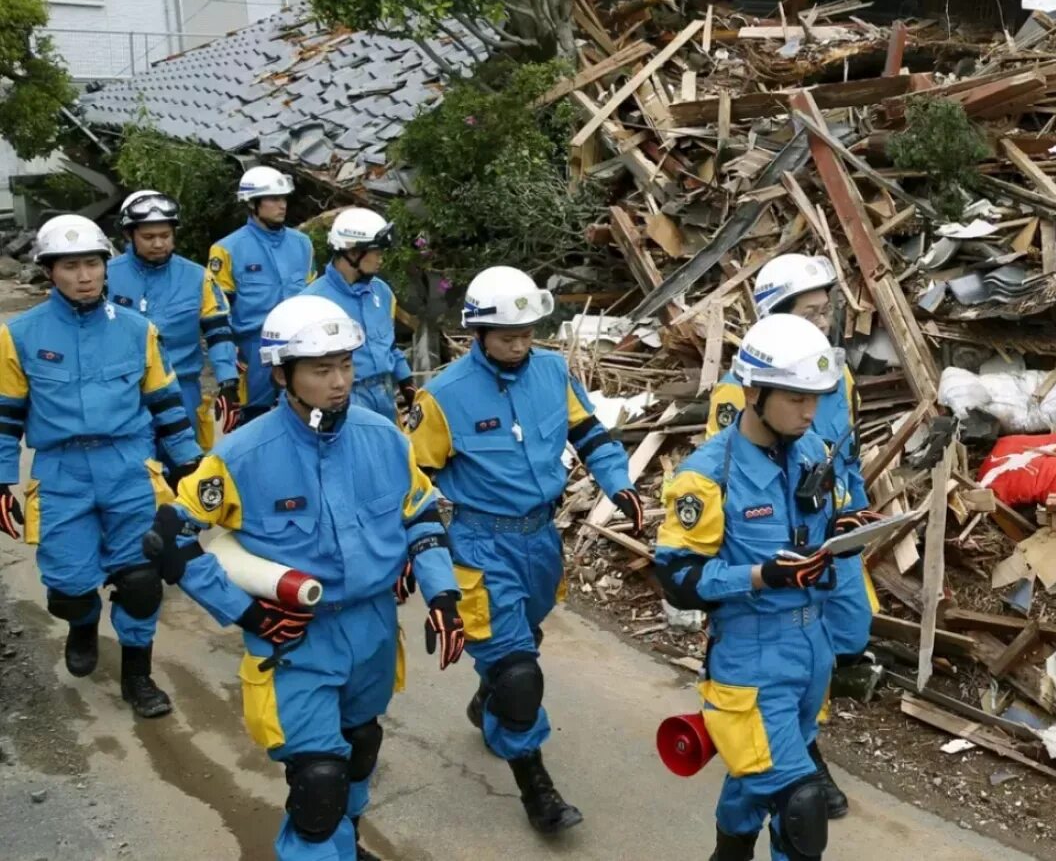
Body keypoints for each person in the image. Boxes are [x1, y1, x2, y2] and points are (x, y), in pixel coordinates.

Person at [147, 294, 464, 861]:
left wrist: (442, 593)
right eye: (321, 370)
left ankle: (347, 839)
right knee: (318, 781)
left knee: (361, 745)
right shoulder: (242, 453)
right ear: (282, 373)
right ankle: (322, 842)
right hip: (294, 641)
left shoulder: (383, 437)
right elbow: (169, 540)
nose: (340, 381)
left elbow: (419, 515)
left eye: (345, 365)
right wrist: (247, 613)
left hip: (371, 628)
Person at [404, 265, 642, 834]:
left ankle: (488, 696)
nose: (519, 345)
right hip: (479, 543)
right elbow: (412, 481)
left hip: (539, 539)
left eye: (527, 333)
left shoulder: (553, 373)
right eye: (507, 336)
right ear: (477, 333)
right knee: (519, 674)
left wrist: (619, 482)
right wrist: (414, 557)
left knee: (524, 639)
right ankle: (538, 789)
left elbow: (589, 433)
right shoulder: (442, 397)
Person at [660, 314, 858, 861]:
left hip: (810, 650)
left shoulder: (814, 450)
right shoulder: (707, 476)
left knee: (754, 782)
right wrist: (760, 576)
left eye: (815, 397)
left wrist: (849, 527)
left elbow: (831, 521)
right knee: (801, 802)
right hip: (750, 660)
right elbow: (677, 579)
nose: (810, 412)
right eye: (796, 398)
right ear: (753, 391)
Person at [0, 215, 201, 717]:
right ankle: (83, 621)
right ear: (50, 271)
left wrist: (190, 467)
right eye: (71, 266)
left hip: (129, 465)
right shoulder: (19, 335)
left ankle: (138, 677)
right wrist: (2, 480)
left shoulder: (138, 331)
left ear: (106, 266)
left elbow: (167, 404)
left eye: (93, 262)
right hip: (61, 472)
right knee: (66, 588)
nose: (85, 275)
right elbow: (5, 415)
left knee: (139, 581)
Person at [705, 253, 872, 817]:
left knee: (846, 631)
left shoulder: (834, 372)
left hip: (829, 531)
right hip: (774, 547)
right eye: (809, 311)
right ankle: (800, 755)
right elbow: (736, 475)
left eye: (826, 310)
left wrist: (855, 512)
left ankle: (792, 738)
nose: (822, 321)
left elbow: (845, 455)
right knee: (784, 649)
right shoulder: (740, 393)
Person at [106, 191, 239, 451]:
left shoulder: (197, 277)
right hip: (123, 396)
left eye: (165, 236)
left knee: (188, 472)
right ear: (128, 235)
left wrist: (228, 381)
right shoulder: (106, 277)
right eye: (148, 237)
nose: (158, 244)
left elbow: (218, 330)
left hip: (183, 392)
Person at [210, 165, 314, 426]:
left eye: (284, 198)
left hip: (300, 349)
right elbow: (217, 317)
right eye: (274, 199)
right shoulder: (226, 250)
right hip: (253, 354)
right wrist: (227, 378)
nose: (282, 205)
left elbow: (313, 299)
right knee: (255, 425)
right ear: (253, 204)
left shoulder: (302, 244)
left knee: (305, 422)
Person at [301, 208, 411, 421]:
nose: (381, 259)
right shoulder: (312, 303)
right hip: (344, 401)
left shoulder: (382, 292)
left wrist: (409, 387)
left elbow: (391, 347)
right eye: (376, 252)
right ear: (353, 252)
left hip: (385, 396)